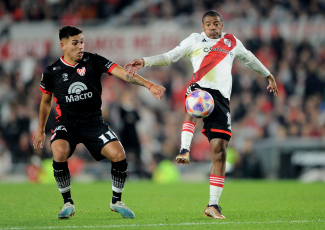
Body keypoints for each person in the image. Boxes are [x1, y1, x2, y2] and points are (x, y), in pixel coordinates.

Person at [125, 10, 278, 219]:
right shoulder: (195, 40)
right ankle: (184, 149)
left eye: (216, 23)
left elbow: (250, 59)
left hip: (222, 100)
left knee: (220, 151)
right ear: (203, 27)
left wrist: (268, 74)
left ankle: (212, 205)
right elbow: (171, 56)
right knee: (194, 103)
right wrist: (145, 61)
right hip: (200, 89)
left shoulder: (231, 42)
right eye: (208, 24)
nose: (213, 27)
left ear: (222, 25)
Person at [33, 26, 166, 220]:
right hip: (66, 124)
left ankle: (116, 201)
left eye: (82, 41)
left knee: (119, 154)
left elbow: (123, 73)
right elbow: (45, 102)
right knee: (59, 151)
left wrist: (149, 85)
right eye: (75, 42)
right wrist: (40, 130)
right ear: (63, 45)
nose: (80, 46)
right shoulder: (52, 71)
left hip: (94, 123)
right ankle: (67, 203)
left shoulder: (93, 60)